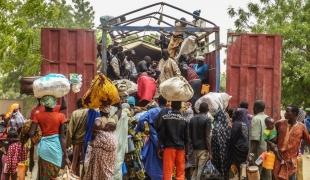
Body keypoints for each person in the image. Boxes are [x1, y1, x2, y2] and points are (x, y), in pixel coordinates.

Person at [29, 95, 70, 179]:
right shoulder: (61, 116)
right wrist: (66, 156)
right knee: (54, 176)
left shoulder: (38, 115)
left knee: (43, 175)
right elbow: (62, 137)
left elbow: (31, 133)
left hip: (43, 148)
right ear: (54, 105)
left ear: (44, 104)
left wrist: (37, 137)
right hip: (56, 149)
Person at [273, 105, 310, 180]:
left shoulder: (301, 127)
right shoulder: (279, 123)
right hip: (278, 159)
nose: (285, 113)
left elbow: (308, 140)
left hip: (291, 162)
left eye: (287, 111)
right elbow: (271, 139)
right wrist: (274, 148)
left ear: (295, 114)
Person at [135, 96, 168, 180]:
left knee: (152, 159)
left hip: (154, 139)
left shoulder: (153, 111)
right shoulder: (169, 112)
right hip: (167, 141)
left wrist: (147, 129)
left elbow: (142, 119)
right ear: (167, 102)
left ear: (157, 101)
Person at [83, 105, 119, 180]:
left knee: (98, 170)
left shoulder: (99, 119)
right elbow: (119, 113)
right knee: (107, 170)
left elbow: (97, 124)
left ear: (100, 111)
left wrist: (98, 127)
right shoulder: (112, 119)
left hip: (101, 148)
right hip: (112, 147)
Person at [158, 101, 188, 180]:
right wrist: (187, 151)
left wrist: (160, 147)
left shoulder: (165, 118)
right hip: (181, 148)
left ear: (171, 106)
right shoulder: (184, 120)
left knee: (168, 171)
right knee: (180, 171)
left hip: (169, 148)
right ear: (180, 107)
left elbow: (161, 134)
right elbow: (187, 137)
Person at [189, 102, 211, 180]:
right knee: (200, 170)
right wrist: (210, 151)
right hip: (203, 149)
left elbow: (190, 136)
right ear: (207, 110)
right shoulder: (207, 119)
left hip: (194, 148)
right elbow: (207, 137)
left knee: (196, 168)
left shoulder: (192, 119)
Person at [66, 99, 88, 176]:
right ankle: (83, 176)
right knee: (86, 160)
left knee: (75, 161)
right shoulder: (88, 112)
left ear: (77, 105)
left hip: (77, 141)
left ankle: (74, 176)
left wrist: (68, 142)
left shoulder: (74, 113)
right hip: (86, 141)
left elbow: (70, 129)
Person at [250, 100, 271, 179]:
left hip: (258, 153)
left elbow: (255, 140)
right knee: (266, 175)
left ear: (255, 108)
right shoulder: (268, 118)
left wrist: (251, 155)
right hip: (267, 152)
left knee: (256, 174)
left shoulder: (256, 119)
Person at [227, 108, 249, 177]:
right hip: (245, 148)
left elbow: (232, 138)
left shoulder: (236, 124)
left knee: (237, 166)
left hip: (237, 149)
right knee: (243, 166)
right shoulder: (245, 124)